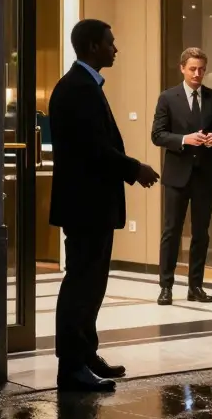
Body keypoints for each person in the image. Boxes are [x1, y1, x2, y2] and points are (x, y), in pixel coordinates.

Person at [48, 19, 160, 393]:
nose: (116, 49)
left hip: (92, 204)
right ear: (93, 46)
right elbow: (94, 149)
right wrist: (135, 169)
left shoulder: (85, 85)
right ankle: (72, 366)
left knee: (92, 283)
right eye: (110, 43)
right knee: (81, 284)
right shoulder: (78, 89)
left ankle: (86, 355)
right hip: (86, 205)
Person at [150, 47, 212, 305]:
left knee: (201, 233)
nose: (197, 74)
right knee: (171, 231)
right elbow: (157, 135)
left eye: (202, 70)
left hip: (205, 174)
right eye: (193, 69)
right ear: (182, 68)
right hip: (177, 174)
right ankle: (166, 287)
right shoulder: (167, 98)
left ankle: (196, 286)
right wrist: (185, 139)